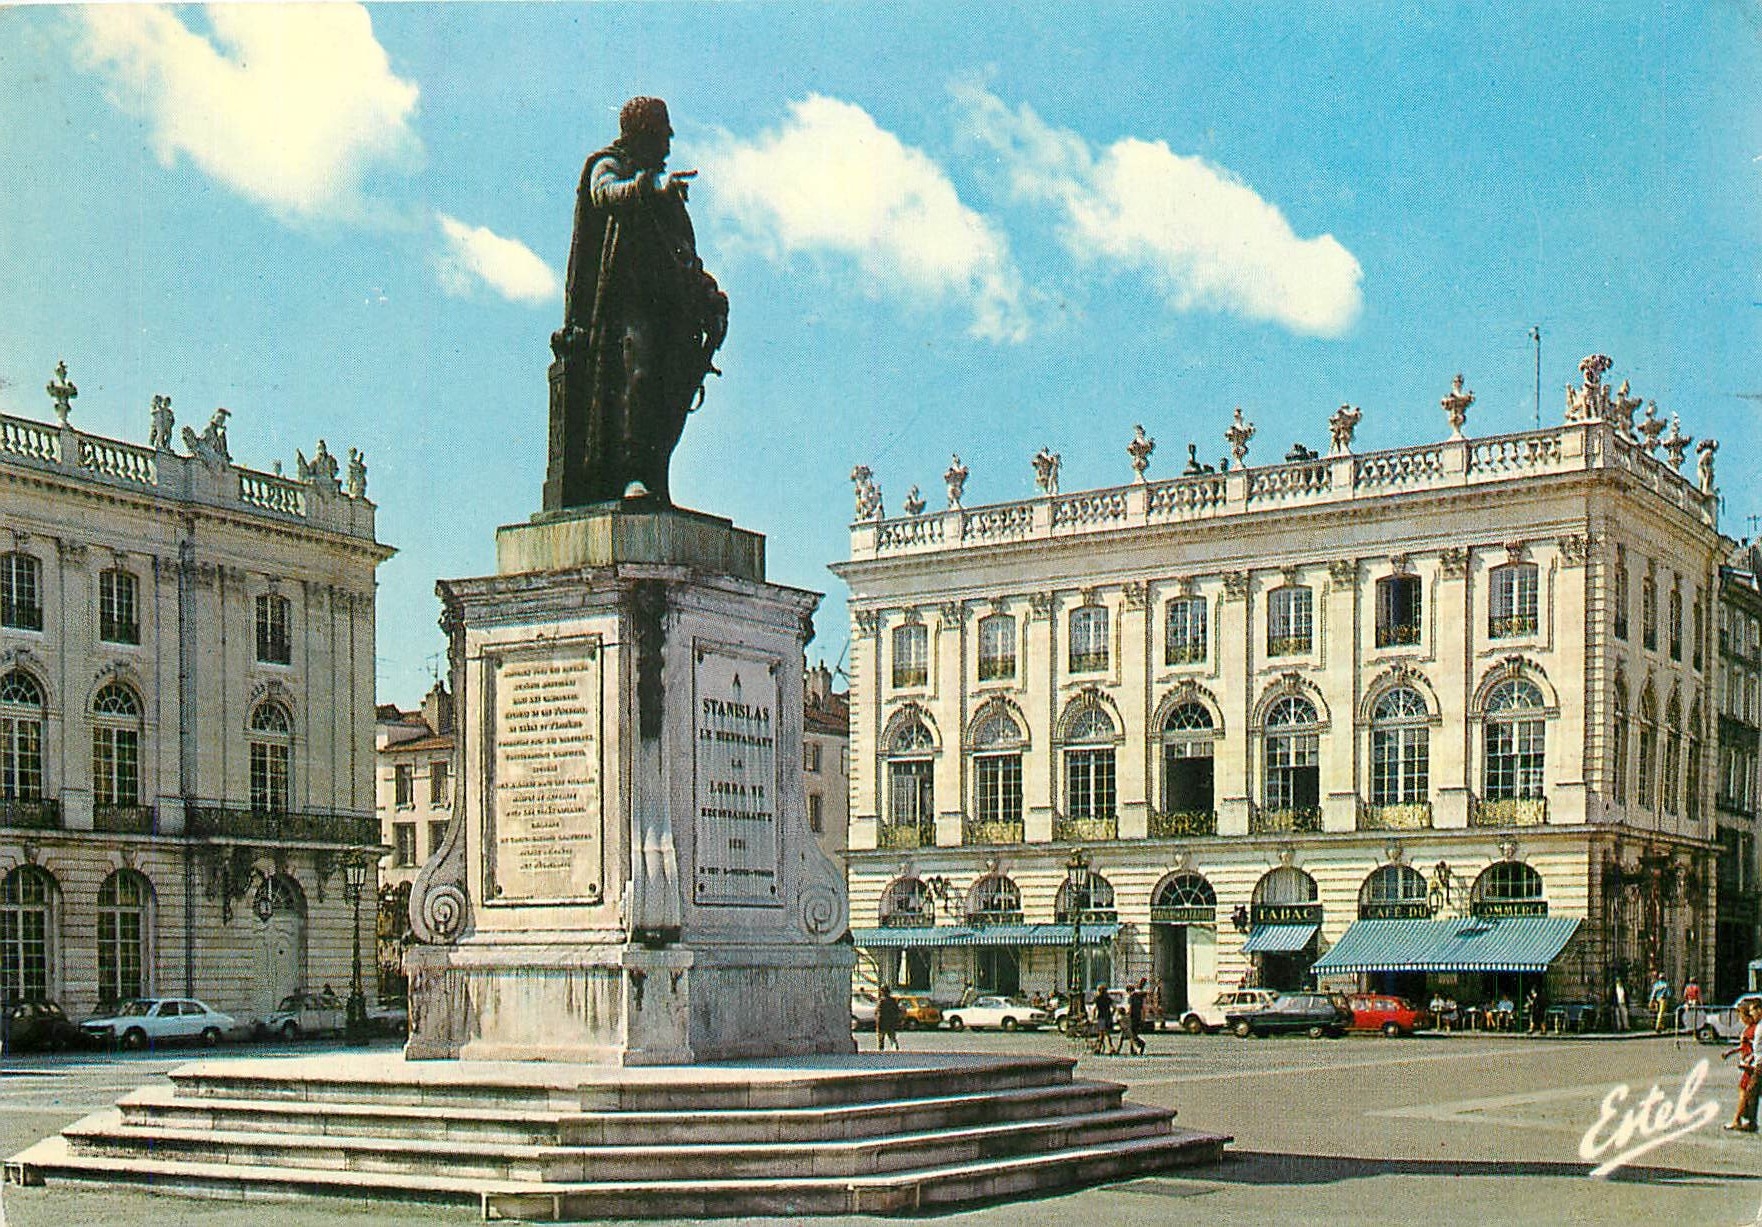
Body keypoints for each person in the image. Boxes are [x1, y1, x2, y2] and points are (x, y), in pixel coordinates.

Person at [552, 96, 729, 507]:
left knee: (673, 391)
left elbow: (685, 255)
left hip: (670, 310)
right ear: (641, 135)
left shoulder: (666, 197)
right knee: (640, 377)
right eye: (661, 135)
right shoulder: (608, 166)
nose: (668, 144)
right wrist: (649, 187)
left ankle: (654, 474)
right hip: (625, 308)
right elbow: (605, 194)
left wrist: (711, 297)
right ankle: (631, 473)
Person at [1723, 999, 1759, 1133]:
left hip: (1751, 1066)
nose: (1741, 1019)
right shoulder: (1749, 1029)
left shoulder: (1754, 1030)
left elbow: (1755, 1049)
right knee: (1747, 1092)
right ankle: (1747, 1120)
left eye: (1742, 1016)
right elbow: (1743, 1046)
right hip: (1748, 1064)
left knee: (1745, 1092)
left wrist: (1749, 1061)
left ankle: (1737, 1119)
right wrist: (1731, 1052)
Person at [1125, 979, 1148, 1056]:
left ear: (1128, 991)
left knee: (1132, 1034)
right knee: (1133, 1033)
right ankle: (1132, 1050)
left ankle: (1141, 1043)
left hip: (1132, 1017)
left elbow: (1130, 1008)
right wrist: (1143, 1018)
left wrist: (1127, 1014)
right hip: (1138, 1017)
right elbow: (1143, 1008)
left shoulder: (1131, 997)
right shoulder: (1139, 997)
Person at [875, 985, 901, 1052]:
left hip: (882, 1023)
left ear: (882, 992)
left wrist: (877, 1022)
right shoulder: (893, 1001)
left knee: (881, 1039)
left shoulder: (881, 1001)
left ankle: (881, 1050)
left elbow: (878, 1013)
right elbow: (897, 1011)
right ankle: (895, 1049)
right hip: (891, 1022)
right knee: (892, 1037)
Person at [1091, 984, 1116, 1054]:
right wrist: (1112, 1014)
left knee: (1102, 1033)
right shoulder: (1108, 998)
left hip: (1101, 1017)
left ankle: (1100, 1048)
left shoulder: (1097, 998)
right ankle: (1108, 1047)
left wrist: (1093, 1017)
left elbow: (1094, 1009)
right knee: (1106, 1033)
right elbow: (1114, 1007)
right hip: (1108, 1017)